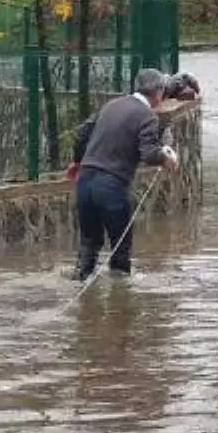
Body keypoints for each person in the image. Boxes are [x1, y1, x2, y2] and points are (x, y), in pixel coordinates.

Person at [67, 68, 179, 280]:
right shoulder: (147, 116)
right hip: (111, 186)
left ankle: (82, 288)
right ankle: (121, 302)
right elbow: (147, 154)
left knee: (89, 243)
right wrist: (166, 159)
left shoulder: (112, 105)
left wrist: (77, 162)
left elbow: (82, 133)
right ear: (158, 92)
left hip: (85, 182)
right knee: (121, 247)